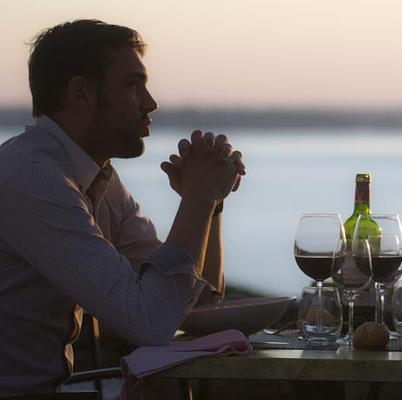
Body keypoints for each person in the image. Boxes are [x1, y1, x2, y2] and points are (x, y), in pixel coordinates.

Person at [0, 19, 245, 395]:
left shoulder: (98, 179)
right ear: (80, 93)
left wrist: (209, 205)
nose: (150, 103)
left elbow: (195, 304)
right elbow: (150, 321)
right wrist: (197, 198)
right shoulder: (33, 180)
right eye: (134, 85)